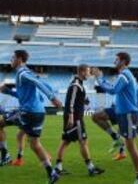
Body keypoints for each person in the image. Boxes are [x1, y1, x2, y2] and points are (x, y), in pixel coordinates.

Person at [0, 50, 62, 184]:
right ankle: (51, 173)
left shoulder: (23, 73)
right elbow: (25, 94)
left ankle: (5, 156)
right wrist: (9, 91)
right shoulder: (26, 73)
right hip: (38, 113)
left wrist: (52, 97)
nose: (10, 60)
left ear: (19, 59)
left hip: (27, 113)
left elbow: (37, 83)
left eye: (12, 58)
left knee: (0, 124)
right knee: (34, 144)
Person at [92, 52, 138, 184]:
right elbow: (113, 89)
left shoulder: (125, 74)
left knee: (131, 146)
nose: (114, 62)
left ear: (123, 61)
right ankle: (116, 138)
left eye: (116, 59)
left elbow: (113, 90)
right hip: (121, 112)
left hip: (128, 114)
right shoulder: (123, 75)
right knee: (96, 116)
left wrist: (100, 78)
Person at [54, 64, 104, 176]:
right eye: (88, 71)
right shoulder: (76, 84)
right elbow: (71, 102)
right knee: (83, 141)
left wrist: (84, 101)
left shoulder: (78, 84)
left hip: (72, 117)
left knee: (65, 142)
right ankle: (91, 168)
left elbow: (75, 99)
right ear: (81, 72)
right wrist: (71, 117)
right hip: (75, 118)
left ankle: (58, 167)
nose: (89, 74)